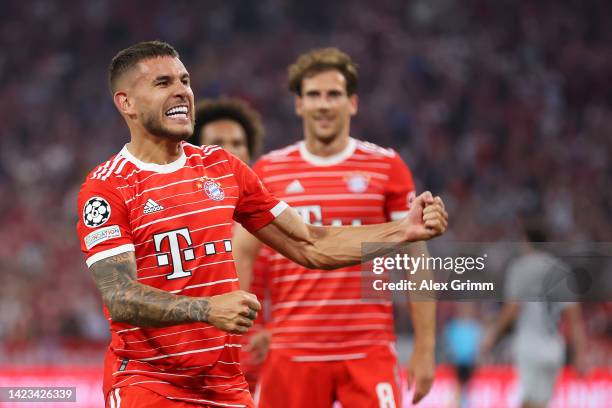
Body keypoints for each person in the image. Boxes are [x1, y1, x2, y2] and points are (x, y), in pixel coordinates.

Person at [75, 41, 448, 408]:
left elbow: (310, 243)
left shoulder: (223, 168)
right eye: (163, 83)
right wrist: (206, 309)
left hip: (223, 383)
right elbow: (119, 296)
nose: (181, 92)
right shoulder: (107, 187)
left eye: (184, 81)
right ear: (126, 103)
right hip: (149, 381)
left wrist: (403, 231)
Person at [233, 48, 437, 408]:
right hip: (291, 352)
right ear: (299, 105)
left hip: (368, 349)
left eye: (333, 94)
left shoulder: (386, 167)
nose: (323, 105)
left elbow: (416, 260)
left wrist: (424, 349)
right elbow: (243, 255)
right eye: (313, 95)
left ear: (352, 103)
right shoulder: (268, 170)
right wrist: (240, 336)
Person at [188, 97, 268, 393]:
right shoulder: (177, 217)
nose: (229, 151)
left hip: (263, 366)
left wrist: (278, 333)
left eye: (237, 142)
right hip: (197, 366)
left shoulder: (274, 220)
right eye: (218, 142)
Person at [481, 221, 588, 408]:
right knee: (540, 402)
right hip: (554, 348)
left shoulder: (521, 267)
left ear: (526, 241)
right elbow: (574, 317)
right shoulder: (561, 270)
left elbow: (512, 309)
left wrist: (493, 335)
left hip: (529, 345)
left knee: (530, 402)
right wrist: (580, 353)